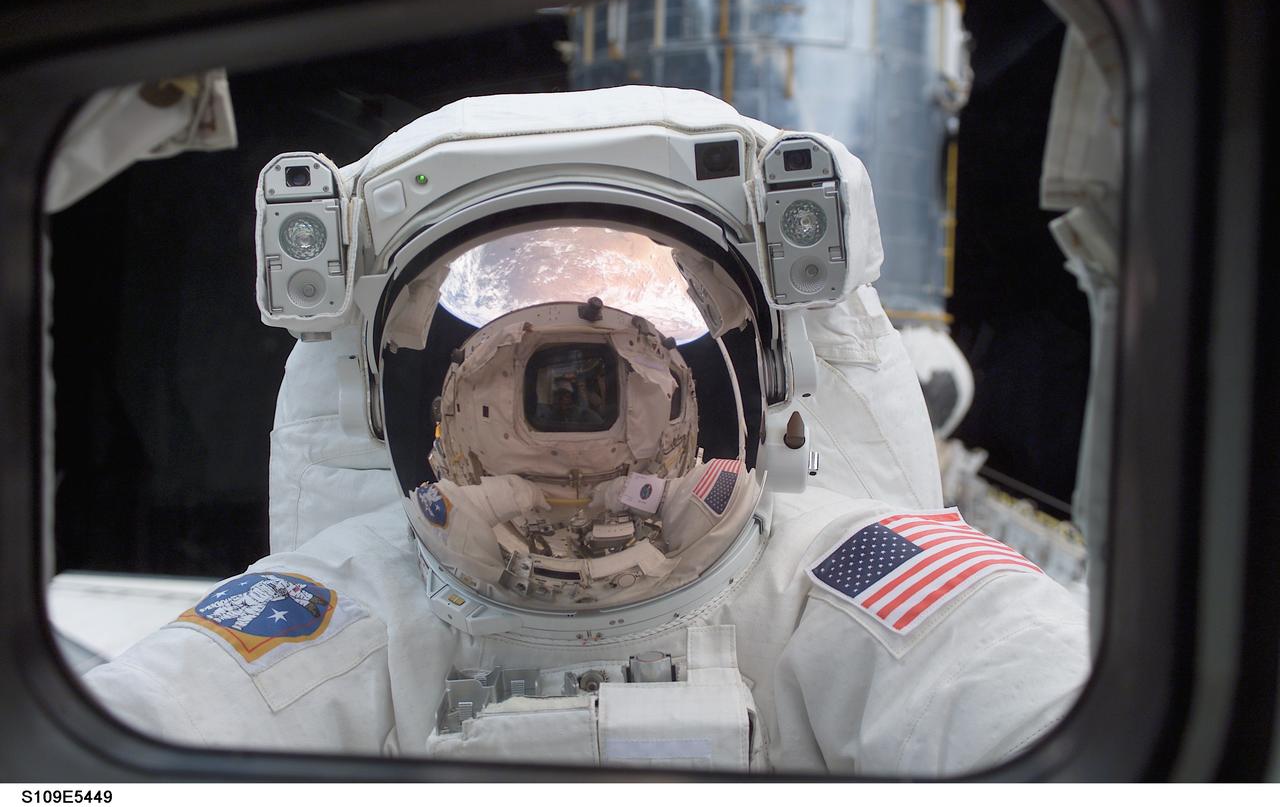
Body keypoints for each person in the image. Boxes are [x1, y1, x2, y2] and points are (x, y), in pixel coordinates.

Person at [84, 87, 1088, 775]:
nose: (570, 410)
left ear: (763, 373)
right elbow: (152, 720)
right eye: (530, 377)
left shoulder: (831, 572)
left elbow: (1016, 677)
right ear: (402, 402)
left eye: (605, 374)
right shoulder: (362, 594)